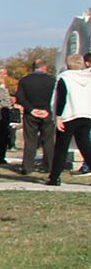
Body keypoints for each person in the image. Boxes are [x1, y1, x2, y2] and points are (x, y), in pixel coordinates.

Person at [48, 53, 91, 186]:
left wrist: (58, 116)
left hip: (69, 115)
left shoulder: (65, 77)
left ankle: (55, 177)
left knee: (61, 148)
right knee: (85, 146)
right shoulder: (88, 77)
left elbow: (62, 98)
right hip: (85, 114)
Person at [16, 59, 56, 177]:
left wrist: (31, 109)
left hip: (30, 114)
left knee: (30, 141)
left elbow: (20, 97)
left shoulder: (25, 80)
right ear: (45, 67)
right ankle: (49, 166)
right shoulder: (52, 80)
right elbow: (56, 97)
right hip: (47, 113)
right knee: (48, 140)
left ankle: (27, 167)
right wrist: (47, 110)